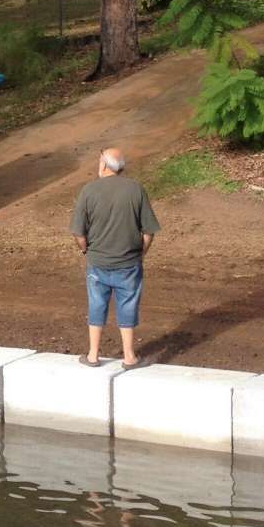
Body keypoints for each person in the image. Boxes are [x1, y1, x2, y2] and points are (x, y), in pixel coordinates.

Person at [69, 147, 159, 368]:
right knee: (127, 306)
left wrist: (85, 251)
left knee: (96, 305)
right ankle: (129, 357)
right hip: (129, 264)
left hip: (97, 263)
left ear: (103, 165)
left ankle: (93, 355)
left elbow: (78, 233)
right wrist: (141, 253)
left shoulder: (88, 190)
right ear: (122, 167)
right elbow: (148, 232)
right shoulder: (136, 189)